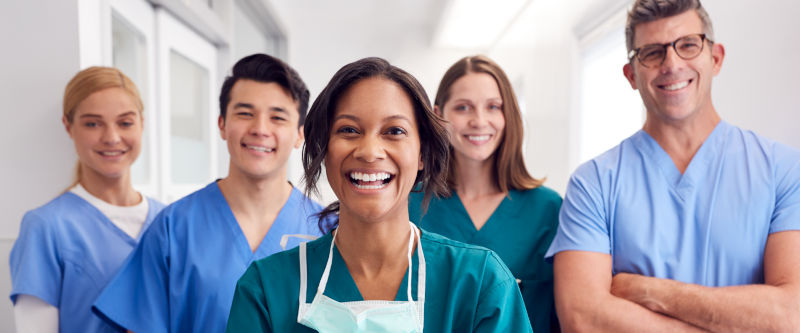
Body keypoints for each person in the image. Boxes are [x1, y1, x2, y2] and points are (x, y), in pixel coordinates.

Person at [545, 0, 800, 331]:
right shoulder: (593, 183)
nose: (672, 63)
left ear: (716, 58)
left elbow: (791, 315)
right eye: (652, 52)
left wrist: (649, 291)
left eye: (688, 45)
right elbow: (584, 320)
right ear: (631, 74)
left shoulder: (783, 170)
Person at [226, 57, 532, 332]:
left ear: (423, 153)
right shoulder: (266, 289)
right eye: (349, 130)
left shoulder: (480, 284)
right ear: (323, 149)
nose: (370, 152)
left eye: (394, 131)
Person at [93, 54, 325, 333]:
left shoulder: (328, 230)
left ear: (300, 134)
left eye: (277, 117)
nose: (260, 129)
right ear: (222, 124)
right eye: (245, 113)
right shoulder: (173, 228)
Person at [408, 55, 561, 332]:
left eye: (493, 107)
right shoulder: (408, 205)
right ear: (439, 114)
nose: (479, 121)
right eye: (464, 108)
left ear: (508, 115)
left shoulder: (549, 210)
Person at [9, 67, 165, 333]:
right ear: (68, 126)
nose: (112, 137)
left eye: (125, 123)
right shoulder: (46, 228)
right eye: (92, 123)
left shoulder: (169, 220)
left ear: (142, 123)